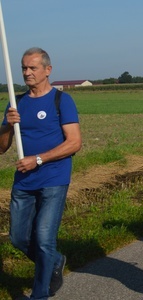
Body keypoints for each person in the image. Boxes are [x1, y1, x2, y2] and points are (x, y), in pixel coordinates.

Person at [0, 47, 82, 300]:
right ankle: (55, 261)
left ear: (47, 70)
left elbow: (74, 142)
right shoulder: (16, 103)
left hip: (53, 179)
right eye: (24, 68)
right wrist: (7, 125)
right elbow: (2, 147)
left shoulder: (61, 100)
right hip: (24, 181)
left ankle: (40, 293)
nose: (27, 72)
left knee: (45, 238)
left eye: (32, 68)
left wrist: (38, 159)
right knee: (18, 238)